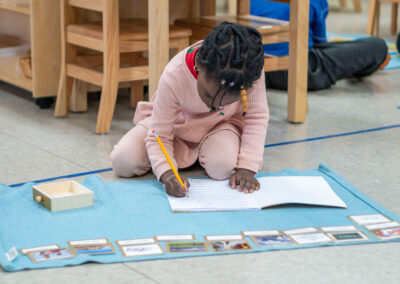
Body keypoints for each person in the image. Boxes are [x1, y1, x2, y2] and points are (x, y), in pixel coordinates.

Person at [110, 22, 269, 197]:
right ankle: (190, 155)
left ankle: (205, 152)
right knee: (123, 161)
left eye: (226, 102)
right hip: (177, 125)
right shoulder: (174, 74)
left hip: (222, 125)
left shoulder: (248, 72)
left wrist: (247, 167)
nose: (215, 106)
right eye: (208, 96)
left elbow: (256, 116)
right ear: (199, 64)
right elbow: (160, 134)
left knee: (222, 167)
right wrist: (167, 173)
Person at [251, 0, 390, 91]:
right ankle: (354, 69)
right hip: (297, 71)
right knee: (378, 46)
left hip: (254, 70)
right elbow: (320, 43)